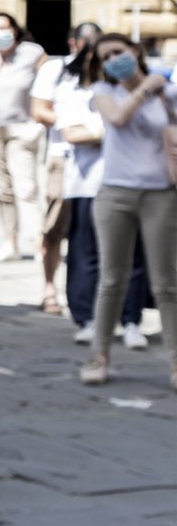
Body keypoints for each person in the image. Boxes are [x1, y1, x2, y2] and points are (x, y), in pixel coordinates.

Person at [80, 35, 177, 388]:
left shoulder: (168, 93)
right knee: (112, 279)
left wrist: (159, 91)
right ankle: (99, 355)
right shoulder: (104, 92)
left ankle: (175, 362)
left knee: (167, 283)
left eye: (119, 52)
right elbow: (118, 119)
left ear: (135, 51)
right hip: (115, 193)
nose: (114, 60)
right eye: (106, 57)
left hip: (160, 195)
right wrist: (146, 89)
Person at [53, 31, 152, 348]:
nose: (112, 63)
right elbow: (72, 133)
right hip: (88, 184)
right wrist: (110, 126)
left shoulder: (143, 91)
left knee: (133, 257)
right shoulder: (76, 92)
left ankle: (131, 319)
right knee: (87, 255)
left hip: (134, 183)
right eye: (104, 58)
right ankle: (87, 318)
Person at [32, 21, 102, 316]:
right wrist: (74, 125)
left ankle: (95, 292)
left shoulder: (106, 71)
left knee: (97, 230)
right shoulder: (55, 69)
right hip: (64, 155)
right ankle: (50, 287)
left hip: (103, 159)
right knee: (55, 227)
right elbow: (39, 110)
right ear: (72, 42)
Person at [0, 12, 47, 263]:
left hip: (22, 129)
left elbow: (49, 83)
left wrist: (39, 120)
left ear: (15, 29)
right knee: (2, 190)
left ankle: (40, 244)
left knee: (26, 188)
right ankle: (10, 243)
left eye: (4, 27)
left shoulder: (32, 53)